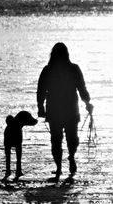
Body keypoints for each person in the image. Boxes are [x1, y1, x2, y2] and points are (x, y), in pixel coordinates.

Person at [37, 42, 93, 182]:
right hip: (71, 109)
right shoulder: (74, 69)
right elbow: (82, 88)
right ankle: (72, 157)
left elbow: (41, 90)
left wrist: (40, 107)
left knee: (56, 140)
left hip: (54, 110)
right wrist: (87, 103)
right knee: (72, 138)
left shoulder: (48, 70)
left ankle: (59, 168)